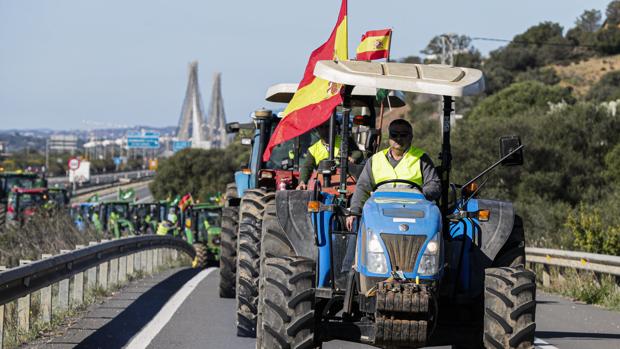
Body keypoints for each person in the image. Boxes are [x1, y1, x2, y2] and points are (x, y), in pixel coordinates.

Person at [346, 119, 441, 231]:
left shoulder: (422, 158)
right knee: (355, 230)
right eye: (394, 135)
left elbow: (434, 185)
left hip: (414, 212)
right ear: (389, 137)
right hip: (379, 213)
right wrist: (354, 212)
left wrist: (418, 194)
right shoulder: (375, 159)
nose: (398, 139)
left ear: (411, 137)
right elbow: (363, 187)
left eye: (403, 135)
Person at [297, 120, 363, 190]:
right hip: (322, 184)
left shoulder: (345, 141)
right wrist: (302, 182)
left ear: (334, 127)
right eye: (321, 127)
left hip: (345, 180)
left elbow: (358, 153)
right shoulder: (313, 149)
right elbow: (307, 167)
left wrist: (353, 158)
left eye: (328, 126)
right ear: (317, 129)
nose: (325, 130)